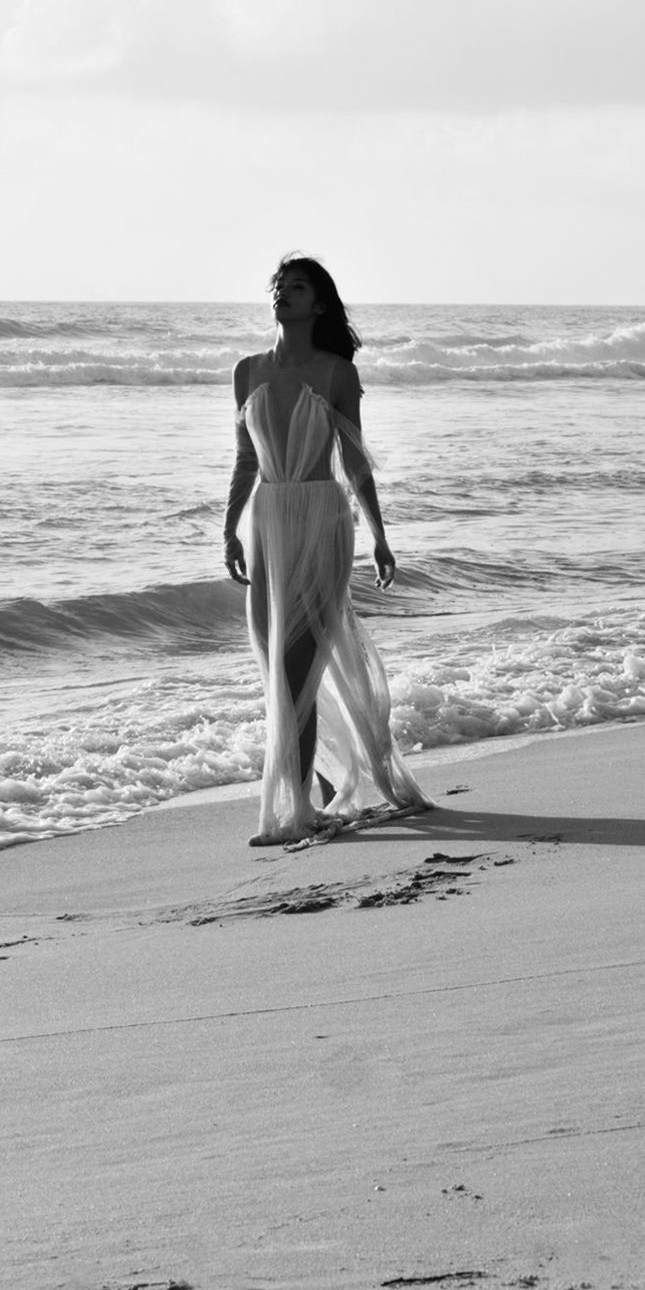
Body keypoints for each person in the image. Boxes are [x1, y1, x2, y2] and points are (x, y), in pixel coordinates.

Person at [222, 255, 430, 846]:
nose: (283, 293)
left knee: (298, 669)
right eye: (278, 285)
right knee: (277, 671)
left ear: (319, 304)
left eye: (297, 287)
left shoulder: (337, 372)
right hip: (267, 521)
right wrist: (230, 528)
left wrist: (380, 535)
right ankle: (316, 788)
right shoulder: (247, 370)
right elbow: (245, 458)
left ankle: (296, 811)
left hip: (321, 518)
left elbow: (354, 459)